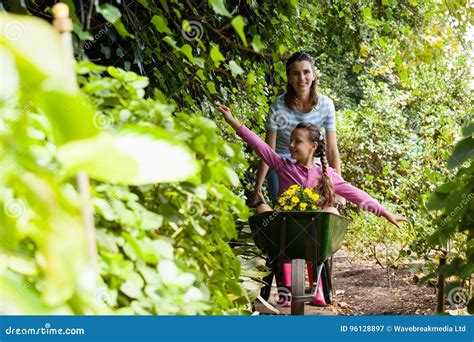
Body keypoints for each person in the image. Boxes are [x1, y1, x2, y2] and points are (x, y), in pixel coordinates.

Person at [216, 104, 408, 306]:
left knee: (330, 211)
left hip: (313, 239)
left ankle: (317, 288)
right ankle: (286, 289)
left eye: (297, 141)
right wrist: (232, 121)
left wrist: (386, 213)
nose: (291, 145)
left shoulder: (327, 176)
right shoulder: (283, 166)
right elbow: (259, 145)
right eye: (290, 141)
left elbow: (358, 196)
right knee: (264, 210)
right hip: (284, 235)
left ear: (313, 146)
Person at [250, 51, 343, 208]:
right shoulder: (278, 107)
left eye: (306, 72)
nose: (302, 79)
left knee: (316, 208)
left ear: (313, 75)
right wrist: (258, 187)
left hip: (313, 164)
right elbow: (268, 151)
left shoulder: (326, 105)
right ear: (289, 78)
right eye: (296, 74)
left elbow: (332, 150)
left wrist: (339, 190)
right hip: (282, 164)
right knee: (286, 209)